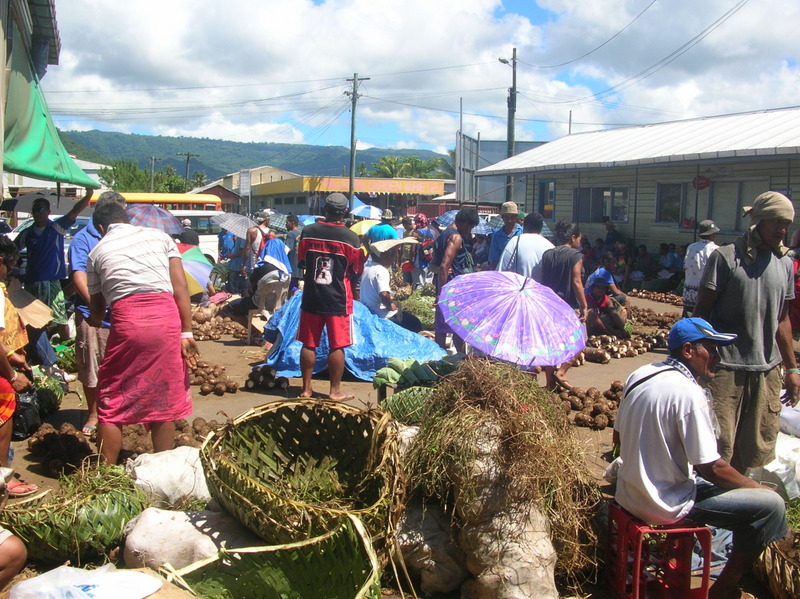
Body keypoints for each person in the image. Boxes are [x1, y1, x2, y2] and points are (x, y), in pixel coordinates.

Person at [615, 317, 787, 599]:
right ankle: (724, 588)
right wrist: (756, 488)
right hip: (664, 504)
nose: (718, 358)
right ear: (688, 351)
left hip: (629, 493)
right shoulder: (689, 393)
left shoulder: (641, 374)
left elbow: (618, 438)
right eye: (712, 349)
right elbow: (712, 469)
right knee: (771, 508)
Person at [694, 191, 799, 473]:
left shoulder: (785, 263)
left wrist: (792, 368)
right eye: (777, 222)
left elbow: (783, 320)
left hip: (766, 369)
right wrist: (698, 360)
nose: (782, 229)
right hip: (725, 368)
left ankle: (744, 500)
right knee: (718, 443)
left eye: (786, 223)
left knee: (756, 445)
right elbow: (701, 312)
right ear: (759, 221)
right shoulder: (727, 258)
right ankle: (712, 503)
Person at [86, 202, 199, 465]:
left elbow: (98, 308)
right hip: (166, 319)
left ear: (102, 227)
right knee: (164, 396)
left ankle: (107, 474)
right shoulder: (160, 238)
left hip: (128, 322)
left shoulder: (97, 251)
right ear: (125, 219)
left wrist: (94, 317)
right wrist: (186, 333)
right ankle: (164, 468)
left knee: (111, 398)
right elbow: (180, 287)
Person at [69, 191, 127, 437]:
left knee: (119, 368)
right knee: (91, 366)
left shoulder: (124, 237)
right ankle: (94, 413)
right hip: (94, 316)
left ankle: (116, 413)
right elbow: (78, 273)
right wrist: (96, 305)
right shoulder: (83, 239)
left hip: (121, 314)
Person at [297, 192, 364, 400]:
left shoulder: (308, 232)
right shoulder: (351, 238)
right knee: (337, 344)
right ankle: (335, 391)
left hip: (312, 296)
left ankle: (306, 389)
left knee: (309, 343)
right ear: (344, 212)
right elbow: (356, 270)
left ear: (325, 210)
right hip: (338, 298)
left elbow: (302, 263)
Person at [14, 190, 93, 341]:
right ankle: (37, 349)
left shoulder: (56, 228)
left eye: (41, 209)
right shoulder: (27, 233)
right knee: (33, 319)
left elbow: (75, 211)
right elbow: (12, 250)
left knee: (60, 317)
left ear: (48, 212)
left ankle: (66, 346)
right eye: (35, 210)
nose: (38, 213)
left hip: (52, 282)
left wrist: (88, 195)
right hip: (32, 282)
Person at [539, 220, 587, 390]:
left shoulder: (547, 254)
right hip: (566, 305)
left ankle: (550, 383)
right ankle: (562, 371)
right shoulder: (576, 256)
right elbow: (576, 281)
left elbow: (543, 281)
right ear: (573, 238)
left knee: (551, 343)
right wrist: (584, 305)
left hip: (548, 303)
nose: (580, 242)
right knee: (581, 339)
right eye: (579, 238)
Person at [432, 208, 479, 352]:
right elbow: (444, 265)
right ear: (464, 222)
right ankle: (459, 359)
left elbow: (434, 265)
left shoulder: (443, 234)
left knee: (441, 327)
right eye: (470, 226)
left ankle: (439, 359)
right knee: (459, 326)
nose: (469, 230)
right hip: (453, 289)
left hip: (444, 285)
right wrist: (442, 292)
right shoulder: (456, 238)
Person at [359, 238, 422, 332]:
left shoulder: (367, 267)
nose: (391, 258)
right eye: (389, 255)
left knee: (398, 304)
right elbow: (384, 294)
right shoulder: (381, 270)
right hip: (380, 314)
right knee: (415, 323)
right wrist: (389, 305)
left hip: (368, 310)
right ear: (383, 255)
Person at [496, 212, 554, 280]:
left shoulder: (515, 242)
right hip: (542, 290)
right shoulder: (550, 246)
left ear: (524, 226)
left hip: (520, 289)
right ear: (541, 228)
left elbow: (501, 272)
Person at [682, 220, 720, 316]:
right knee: (703, 319)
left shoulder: (691, 247)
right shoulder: (715, 250)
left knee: (688, 316)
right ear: (712, 235)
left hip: (688, 290)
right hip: (704, 291)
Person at [584, 272, 629, 339]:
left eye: (603, 288)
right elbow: (593, 317)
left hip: (604, 321)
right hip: (591, 325)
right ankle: (611, 333)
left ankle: (623, 331)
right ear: (593, 288)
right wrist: (612, 331)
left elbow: (613, 313)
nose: (600, 290)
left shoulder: (607, 299)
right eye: (598, 288)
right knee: (591, 312)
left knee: (620, 313)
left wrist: (623, 328)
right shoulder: (588, 298)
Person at [487, 201, 522, 269]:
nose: (509, 220)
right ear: (502, 217)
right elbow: (494, 260)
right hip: (503, 272)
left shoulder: (523, 233)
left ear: (516, 217)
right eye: (506, 217)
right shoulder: (497, 236)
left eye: (512, 217)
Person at [243, 211, 273, 279]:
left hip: (255, 265)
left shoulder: (252, 231)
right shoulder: (272, 233)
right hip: (268, 266)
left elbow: (247, 248)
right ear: (267, 220)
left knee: (254, 287)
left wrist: (244, 265)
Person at [411, 213, 436, 288]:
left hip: (420, 260)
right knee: (429, 282)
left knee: (419, 282)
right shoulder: (432, 231)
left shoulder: (416, 232)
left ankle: (418, 298)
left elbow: (413, 248)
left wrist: (411, 259)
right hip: (430, 260)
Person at [284, 215, 303, 295]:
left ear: (292, 223)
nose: (286, 224)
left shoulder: (290, 234)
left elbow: (288, 249)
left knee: (291, 287)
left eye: (287, 223)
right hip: (299, 263)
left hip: (291, 264)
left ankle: (293, 301)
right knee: (295, 284)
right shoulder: (301, 233)